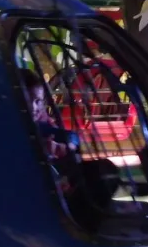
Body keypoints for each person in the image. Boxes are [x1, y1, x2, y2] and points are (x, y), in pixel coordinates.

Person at [19, 68, 120, 225]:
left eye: (38, 101)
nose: (33, 107)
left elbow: (70, 136)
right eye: (27, 100)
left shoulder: (39, 126)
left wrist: (67, 145)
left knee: (105, 170)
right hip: (29, 194)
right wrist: (40, 150)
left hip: (53, 184)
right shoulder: (9, 128)